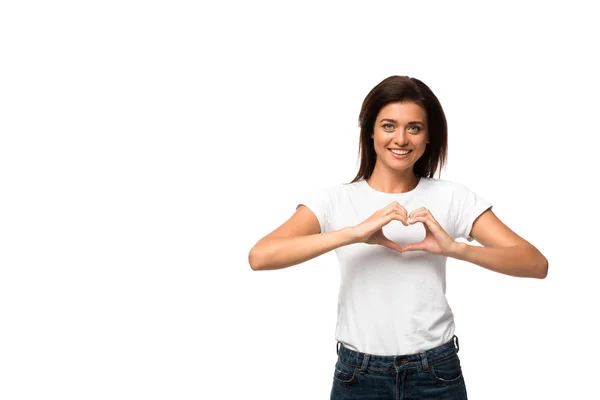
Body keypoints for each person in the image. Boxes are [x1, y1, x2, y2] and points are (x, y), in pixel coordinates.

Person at [248, 75, 548, 399]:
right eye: (389, 126)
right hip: (358, 375)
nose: (401, 139)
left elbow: (535, 263)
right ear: (371, 131)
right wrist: (352, 233)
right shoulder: (334, 200)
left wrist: (455, 248)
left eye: (414, 127)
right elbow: (261, 256)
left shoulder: (453, 197)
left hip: (436, 372)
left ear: (429, 136)